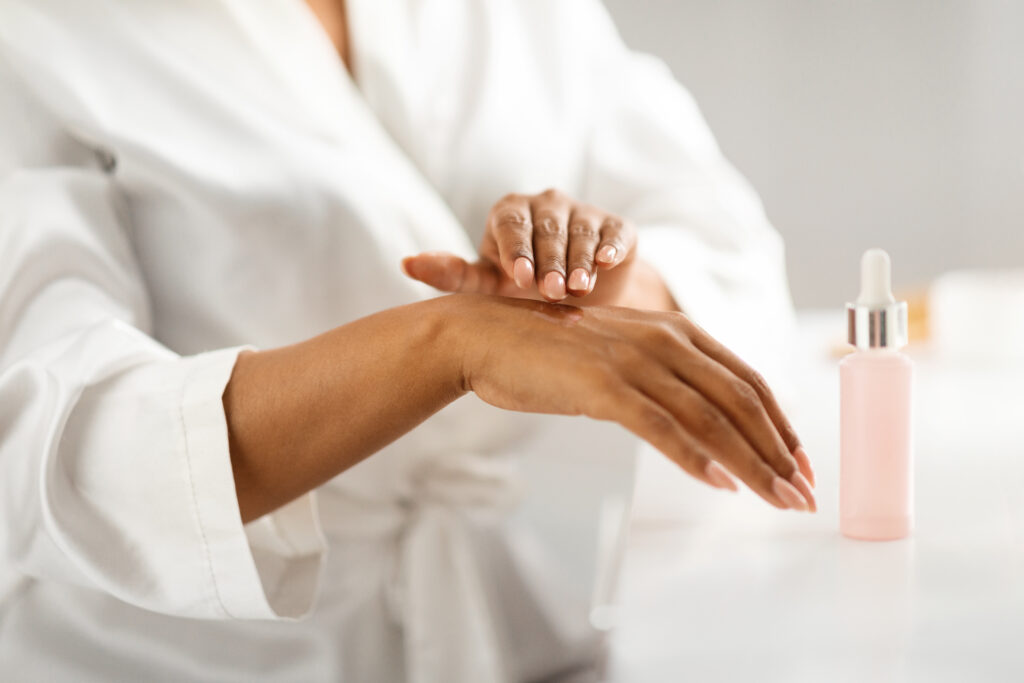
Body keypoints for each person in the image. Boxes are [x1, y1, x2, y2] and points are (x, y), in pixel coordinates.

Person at [0, 0, 816, 680]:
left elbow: (725, 244)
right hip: (182, 657)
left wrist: (591, 286)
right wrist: (447, 346)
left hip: (510, 624)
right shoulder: (37, 28)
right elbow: (47, 433)